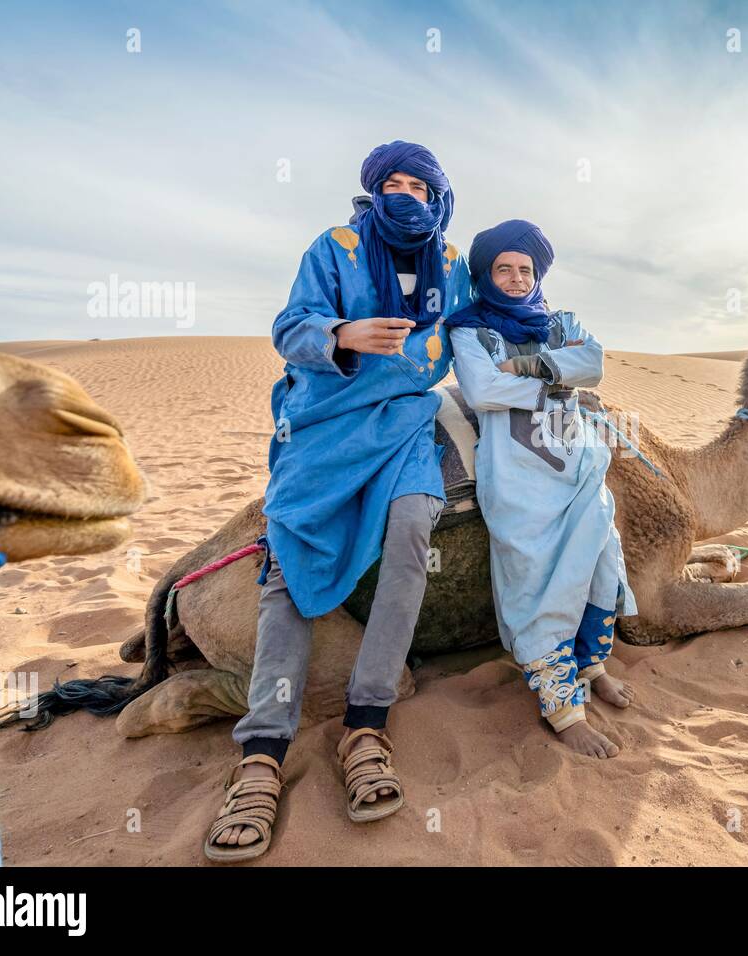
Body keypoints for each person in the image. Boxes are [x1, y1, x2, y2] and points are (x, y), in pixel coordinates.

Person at [203, 141, 472, 861]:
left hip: (405, 421)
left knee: (416, 520)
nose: (406, 193)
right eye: (393, 182)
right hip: (325, 417)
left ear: (439, 194)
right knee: (291, 552)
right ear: (373, 190)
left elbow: (479, 334)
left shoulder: (453, 267)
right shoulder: (336, 246)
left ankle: (367, 724)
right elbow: (290, 327)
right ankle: (261, 754)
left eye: (419, 183)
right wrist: (344, 335)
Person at [448, 219, 637, 759]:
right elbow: (484, 390)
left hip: (579, 467)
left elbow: (594, 363)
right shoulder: (469, 330)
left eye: (523, 269)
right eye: (502, 269)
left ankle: (591, 665)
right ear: (485, 274)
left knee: (602, 566)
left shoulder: (561, 320)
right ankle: (564, 712)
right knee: (537, 586)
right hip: (518, 478)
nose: (513, 278)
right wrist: (558, 377)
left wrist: (526, 365)